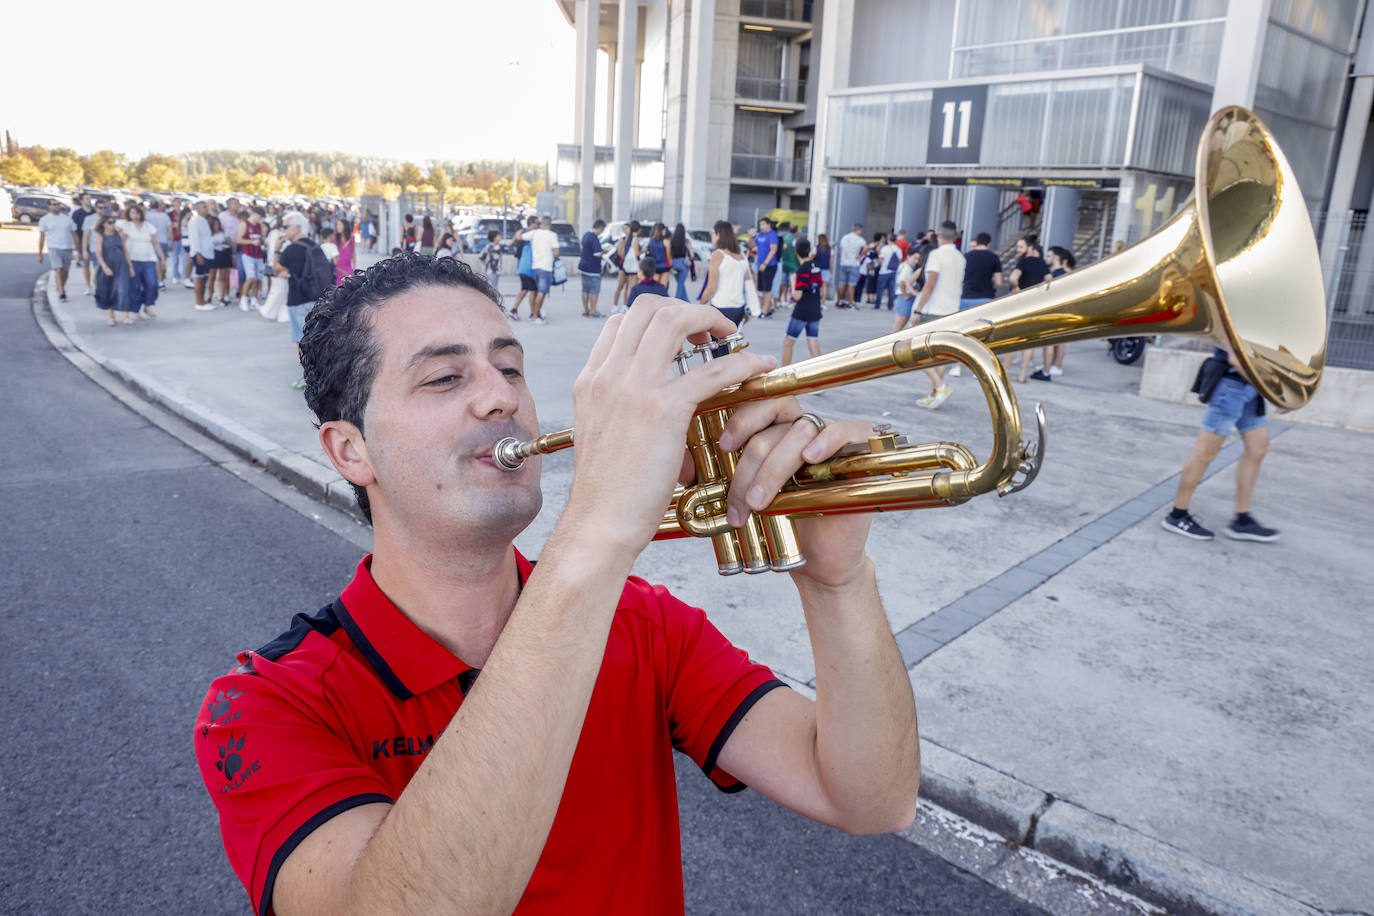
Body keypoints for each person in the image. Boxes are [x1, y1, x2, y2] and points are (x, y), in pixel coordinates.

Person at [192, 252, 920, 916]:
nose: (499, 398)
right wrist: (598, 527)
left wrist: (837, 579)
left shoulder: (642, 624)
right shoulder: (262, 705)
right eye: (446, 377)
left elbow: (870, 800)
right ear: (350, 450)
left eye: (510, 369)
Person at [1161, 348, 1280, 543]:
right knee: (1205, 454)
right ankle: (1177, 516)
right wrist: (1272, 389)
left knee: (1258, 449)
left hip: (1250, 389)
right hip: (1231, 389)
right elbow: (1236, 359)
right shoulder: (1238, 316)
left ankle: (1242, 521)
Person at [913, 222, 966, 410]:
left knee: (918, 352)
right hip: (951, 309)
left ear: (939, 235)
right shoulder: (960, 257)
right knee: (941, 356)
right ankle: (934, 394)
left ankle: (940, 387)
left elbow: (930, 284)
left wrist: (918, 309)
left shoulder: (936, 255)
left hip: (933, 310)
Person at [276, 212, 325, 389]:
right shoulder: (315, 246)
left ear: (297, 228)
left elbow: (276, 269)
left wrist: (276, 248)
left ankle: (308, 377)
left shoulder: (291, 249)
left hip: (298, 299)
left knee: (301, 341)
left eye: (285, 226)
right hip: (318, 297)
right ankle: (322, 375)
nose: (283, 230)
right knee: (318, 338)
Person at [1028, 246, 1075, 381]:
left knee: (1051, 343)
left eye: (1049, 256)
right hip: (1063, 310)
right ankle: (1052, 367)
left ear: (1057, 258)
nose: (1046, 258)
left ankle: (1049, 369)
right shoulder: (1064, 272)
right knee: (1058, 342)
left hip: (1056, 311)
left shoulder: (1057, 274)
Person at [1006, 236, 1049, 383]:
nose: (1018, 250)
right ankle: (1022, 374)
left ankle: (1005, 372)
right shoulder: (1042, 263)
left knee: (1013, 340)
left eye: (1021, 247)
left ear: (1030, 248)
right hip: (1036, 305)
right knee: (1029, 342)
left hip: (1021, 304)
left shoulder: (1023, 262)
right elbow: (1050, 279)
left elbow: (1013, 277)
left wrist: (1017, 288)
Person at [700, 219, 751, 327]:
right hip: (739, 307)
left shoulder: (718, 254)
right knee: (730, 342)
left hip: (721, 307)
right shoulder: (741, 255)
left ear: (718, 235)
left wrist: (700, 304)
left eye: (713, 233)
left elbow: (711, 289)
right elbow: (749, 281)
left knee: (717, 343)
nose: (712, 237)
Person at [117, 203, 164, 320]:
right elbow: (121, 241)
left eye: (137, 212)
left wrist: (162, 257)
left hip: (148, 258)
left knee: (152, 283)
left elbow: (155, 242)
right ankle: (135, 310)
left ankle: (148, 305)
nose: (135, 215)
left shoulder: (148, 226)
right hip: (133, 259)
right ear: (128, 214)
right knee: (135, 286)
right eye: (132, 212)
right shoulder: (126, 225)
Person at [781, 237, 824, 366]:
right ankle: (821, 371)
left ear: (796, 251)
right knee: (812, 339)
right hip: (815, 308)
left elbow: (797, 296)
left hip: (802, 311)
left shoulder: (802, 269)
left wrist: (793, 281)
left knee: (788, 342)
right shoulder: (816, 266)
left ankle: (783, 372)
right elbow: (818, 285)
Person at [92, 214, 135, 326]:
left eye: (113, 222)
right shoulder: (100, 236)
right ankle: (111, 318)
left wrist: (130, 266)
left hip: (121, 265)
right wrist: (104, 267)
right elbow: (99, 254)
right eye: (109, 222)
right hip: (108, 265)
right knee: (109, 291)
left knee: (123, 289)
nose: (112, 224)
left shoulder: (119, 234)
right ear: (103, 224)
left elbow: (125, 250)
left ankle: (126, 316)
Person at [37, 198, 77, 302]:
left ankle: (60, 287)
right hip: (53, 247)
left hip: (67, 247)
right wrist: (40, 253)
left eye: (58, 204)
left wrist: (77, 249)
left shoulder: (67, 219)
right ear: (49, 206)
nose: (57, 206)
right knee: (58, 269)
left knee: (65, 271)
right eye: (54, 204)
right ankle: (62, 293)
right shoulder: (44, 220)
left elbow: (74, 234)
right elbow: (42, 237)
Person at [526, 216, 560, 325]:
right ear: (549, 225)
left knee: (535, 292)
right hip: (545, 268)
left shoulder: (534, 233)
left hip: (535, 267)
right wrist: (554, 257)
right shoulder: (552, 235)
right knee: (542, 293)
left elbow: (520, 237)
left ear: (541, 224)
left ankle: (535, 314)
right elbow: (556, 252)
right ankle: (536, 317)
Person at [959, 232, 1003, 312]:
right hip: (986, 299)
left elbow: (960, 280)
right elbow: (999, 282)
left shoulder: (966, 256)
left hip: (966, 297)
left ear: (976, 242)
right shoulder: (994, 257)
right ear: (989, 243)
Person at [237, 208, 268, 310]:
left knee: (258, 278)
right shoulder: (244, 224)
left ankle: (254, 300)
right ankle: (243, 300)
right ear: (254, 214)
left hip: (258, 255)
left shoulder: (259, 226)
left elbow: (259, 240)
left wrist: (263, 239)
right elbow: (238, 240)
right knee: (250, 277)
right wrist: (251, 242)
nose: (260, 220)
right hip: (248, 255)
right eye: (259, 217)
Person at [510, 216, 538, 320]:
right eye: (537, 222)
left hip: (522, 265)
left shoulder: (521, 233)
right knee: (533, 291)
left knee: (524, 289)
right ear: (533, 223)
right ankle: (534, 313)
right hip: (529, 266)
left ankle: (514, 310)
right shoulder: (532, 236)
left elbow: (511, 243)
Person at [578, 219, 606, 317]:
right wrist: (603, 252)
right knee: (594, 290)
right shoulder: (594, 238)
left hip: (583, 266)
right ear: (600, 228)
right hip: (593, 268)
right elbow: (597, 253)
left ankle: (586, 310)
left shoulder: (586, 235)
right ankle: (593, 310)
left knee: (585, 289)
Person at [69, 193, 96, 296]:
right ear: (81, 201)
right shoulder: (77, 214)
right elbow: (73, 231)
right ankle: (88, 286)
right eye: (86, 199)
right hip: (82, 242)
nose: (89, 200)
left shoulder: (95, 211)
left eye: (90, 198)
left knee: (97, 266)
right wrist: (75, 247)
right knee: (86, 265)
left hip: (95, 242)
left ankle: (96, 284)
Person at [892, 247, 921, 335]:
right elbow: (902, 282)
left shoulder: (904, 265)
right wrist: (905, 294)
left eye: (918, 259)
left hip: (903, 298)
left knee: (898, 328)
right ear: (908, 256)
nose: (916, 261)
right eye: (915, 258)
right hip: (905, 299)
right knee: (898, 329)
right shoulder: (907, 268)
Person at [754, 217, 779, 317]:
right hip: (760, 265)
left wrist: (765, 263)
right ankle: (766, 309)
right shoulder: (760, 235)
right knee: (760, 288)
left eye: (763, 224)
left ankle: (764, 311)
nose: (761, 226)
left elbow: (773, 250)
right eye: (760, 225)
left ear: (769, 225)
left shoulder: (772, 235)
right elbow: (754, 245)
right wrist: (750, 236)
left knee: (767, 289)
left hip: (769, 266)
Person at [612, 221, 640, 312]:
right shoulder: (623, 239)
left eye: (627, 228)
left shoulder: (629, 239)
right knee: (621, 286)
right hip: (624, 266)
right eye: (624, 228)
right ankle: (616, 305)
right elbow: (621, 254)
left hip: (626, 265)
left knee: (628, 286)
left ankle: (625, 305)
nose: (625, 230)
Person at [146, 201, 172, 287]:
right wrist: (171, 243)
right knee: (163, 260)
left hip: (151, 241)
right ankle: (162, 279)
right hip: (163, 241)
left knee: (156, 262)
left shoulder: (147, 216)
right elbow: (170, 230)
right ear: (158, 207)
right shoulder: (165, 216)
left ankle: (160, 280)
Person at [874, 233, 902, 311]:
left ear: (888, 240)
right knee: (891, 289)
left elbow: (880, 261)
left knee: (880, 289)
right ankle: (890, 306)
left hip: (884, 271)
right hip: (894, 271)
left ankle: (877, 305)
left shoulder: (884, 248)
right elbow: (899, 260)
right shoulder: (898, 249)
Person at [668, 223, 691, 302]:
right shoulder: (686, 241)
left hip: (674, 263)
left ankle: (686, 301)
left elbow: (669, 253)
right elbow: (692, 254)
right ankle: (676, 300)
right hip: (683, 264)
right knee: (681, 284)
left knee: (680, 284)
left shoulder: (671, 240)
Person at [778, 223, 799, 305]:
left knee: (783, 283)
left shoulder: (784, 238)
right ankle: (790, 301)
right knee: (792, 284)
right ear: (796, 231)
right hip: (793, 264)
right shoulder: (795, 240)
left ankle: (780, 300)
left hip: (784, 263)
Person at [814, 234, 832, 303]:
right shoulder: (830, 249)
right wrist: (831, 270)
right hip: (826, 269)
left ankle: (816, 302)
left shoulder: (816, 248)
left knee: (817, 286)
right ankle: (823, 303)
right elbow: (831, 261)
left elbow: (812, 258)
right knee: (824, 287)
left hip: (817, 269)